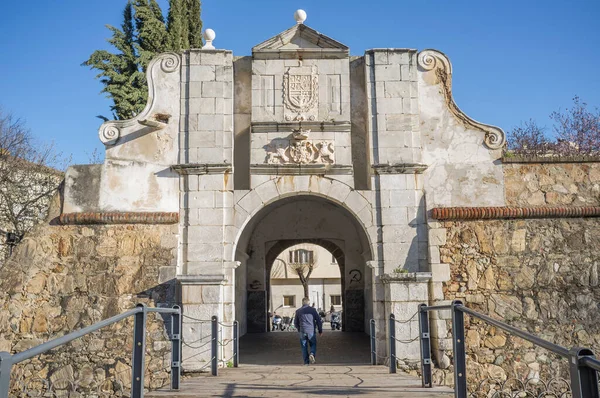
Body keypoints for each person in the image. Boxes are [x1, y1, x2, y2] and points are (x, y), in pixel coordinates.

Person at [294, 297, 323, 365]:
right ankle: (312, 353)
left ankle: (306, 362)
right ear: (309, 303)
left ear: (302, 302)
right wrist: (320, 330)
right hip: (311, 331)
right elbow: (318, 320)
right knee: (313, 344)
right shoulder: (313, 310)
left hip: (302, 330)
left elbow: (295, 322)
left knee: (304, 346)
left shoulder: (298, 311)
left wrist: (299, 329)